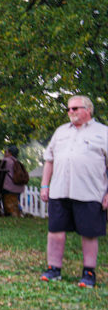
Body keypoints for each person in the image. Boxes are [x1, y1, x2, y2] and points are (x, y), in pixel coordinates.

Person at [39, 95, 108, 288]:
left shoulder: (103, 133)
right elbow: (49, 160)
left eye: (75, 108)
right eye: (69, 109)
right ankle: (53, 269)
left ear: (88, 110)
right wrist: (45, 185)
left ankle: (88, 272)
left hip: (90, 192)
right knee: (55, 232)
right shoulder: (61, 132)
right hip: (59, 191)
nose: (71, 112)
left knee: (89, 234)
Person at [1, 145, 28, 217]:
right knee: (16, 200)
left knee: (6, 197)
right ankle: (18, 212)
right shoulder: (18, 162)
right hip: (19, 187)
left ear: (9, 152)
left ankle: (10, 213)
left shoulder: (6, 161)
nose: (4, 153)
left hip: (8, 187)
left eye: (5, 152)